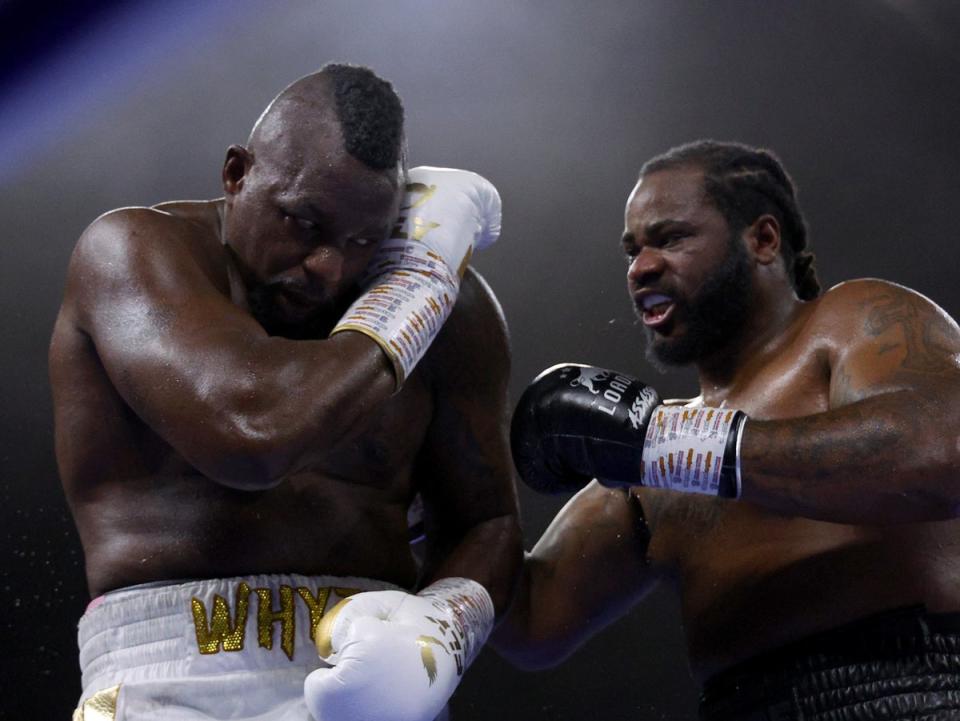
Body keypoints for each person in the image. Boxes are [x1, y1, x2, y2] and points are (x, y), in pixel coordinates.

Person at [49, 63, 522, 721]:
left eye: (364, 239)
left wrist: (443, 628)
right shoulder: (134, 252)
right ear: (237, 174)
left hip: (368, 675)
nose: (329, 266)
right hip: (165, 683)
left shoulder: (458, 311)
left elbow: (489, 521)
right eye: (305, 223)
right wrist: (416, 287)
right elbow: (252, 435)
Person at [496, 140, 960, 720]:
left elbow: (943, 451)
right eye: (632, 250)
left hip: (914, 691)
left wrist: (674, 446)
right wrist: (438, 473)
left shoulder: (848, 324)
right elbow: (534, 619)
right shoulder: (647, 455)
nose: (641, 267)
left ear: (763, 240)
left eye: (670, 238)